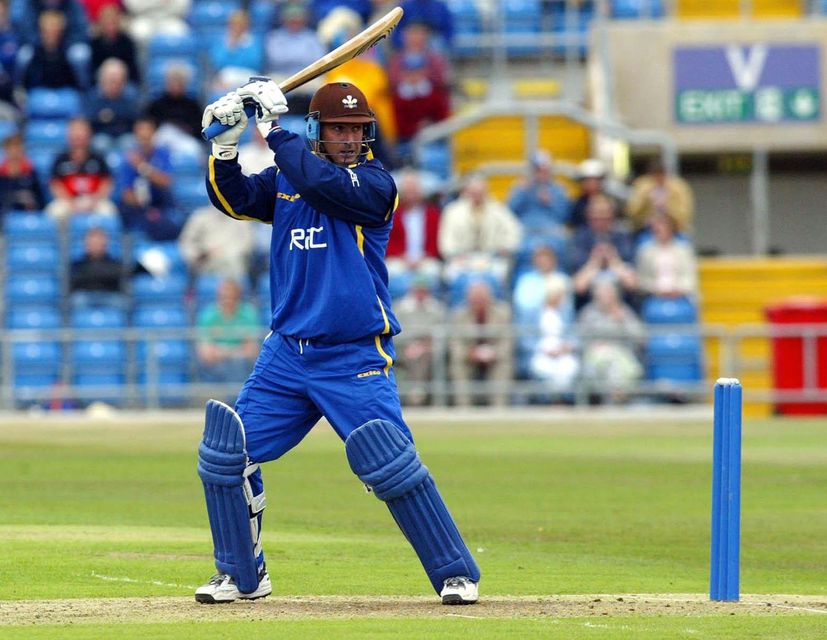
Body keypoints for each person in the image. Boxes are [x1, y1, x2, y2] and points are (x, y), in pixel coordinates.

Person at [194, 79, 480, 605]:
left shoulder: (374, 185)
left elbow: (321, 183)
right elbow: (232, 199)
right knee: (225, 455)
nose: (348, 137)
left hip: (353, 354)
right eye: (337, 128)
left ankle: (455, 574)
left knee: (391, 463)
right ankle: (241, 575)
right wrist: (225, 146)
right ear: (318, 130)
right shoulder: (287, 179)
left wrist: (273, 131)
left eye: (355, 128)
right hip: (287, 353)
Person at [438, 173, 522, 287]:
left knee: (499, 273)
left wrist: (505, 247)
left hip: (491, 257)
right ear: (466, 192)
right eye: (473, 192)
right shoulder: (452, 211)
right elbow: (446, 240)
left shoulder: (498, 209)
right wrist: (454, 255)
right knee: (453, 274)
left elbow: (514, 231)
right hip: (462, 258)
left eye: (480, 192)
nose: (477, 195)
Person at [575, 277, 645, 404]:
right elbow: (580, 339)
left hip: (621, 354)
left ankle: (616, 399)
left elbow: (640, 337)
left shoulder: (625, 312)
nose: (605, 295)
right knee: (607, 363)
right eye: (602, 292)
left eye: (608, 292)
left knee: (617, 364)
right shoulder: (588, 313)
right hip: (595, 356)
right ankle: (614, 401)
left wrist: (622, 320)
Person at [116, 116, 183, 240]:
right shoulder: (129, 159)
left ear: (154, 133)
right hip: (138, 209)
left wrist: (142, 167)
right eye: (141, 132)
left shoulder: (163, 153)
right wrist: (143, 202)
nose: (144, 136)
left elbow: (166, 181)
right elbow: (126, 194)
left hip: (162, 204)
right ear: (136, 134)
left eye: (148, 131)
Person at [448, 278, 512, 408]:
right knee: (457, 366)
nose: (479, 302)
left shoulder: (503, 312)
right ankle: (464, 409)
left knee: (504, 365)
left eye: (482, 299)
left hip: (494, 357)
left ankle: (499, 409)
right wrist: (470, 353)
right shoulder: (459, 314)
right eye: (475, 299)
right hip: (469, 357)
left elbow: (507, 341)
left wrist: (494, 353)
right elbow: (455, 343)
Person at [569, 193, 636, 311]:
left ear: (612, 217)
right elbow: (579, 286)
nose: (601, 222)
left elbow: (632, 284)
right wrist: (595, 262)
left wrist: (614, 261)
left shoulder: (622, 236)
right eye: (596, 218)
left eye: (605, 218)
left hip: (620, 303)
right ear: (589, 217)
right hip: (589, 303)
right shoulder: (581, 237)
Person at [46, 116, 117, 221]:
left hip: (94, 200)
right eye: (75, 130)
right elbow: (55, 185)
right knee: (55, 211)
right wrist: (71, 204)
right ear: (68, 134)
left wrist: (94, 201)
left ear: (89, 134)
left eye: (81, 130)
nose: (78, 135)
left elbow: (107, 183)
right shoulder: (60, 159)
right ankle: (62, 238)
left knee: (108, 211)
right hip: (68, 201)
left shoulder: (98, 158)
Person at [392, 273, 446, 406]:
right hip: (403, 348)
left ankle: (416, 395)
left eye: (424, 290)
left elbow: (441, 333)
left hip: (429, 348)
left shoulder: (437, 309)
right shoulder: (400, 308)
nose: (420, 294)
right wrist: (411, 345)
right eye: (418, 290)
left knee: (422, 356)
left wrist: (423, 346)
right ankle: (417, 393)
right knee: (416, 356)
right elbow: (394, 333)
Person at [196, 278, 261, 388]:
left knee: (238, 365)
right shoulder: (207, 315)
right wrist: (233, 352)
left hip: (242, 364)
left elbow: (252, 350)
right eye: (223, 296)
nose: (227, 300)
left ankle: (235, 400)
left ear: (238, 297)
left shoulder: (249, 313)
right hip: (217, 366)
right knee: (233, 366)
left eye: (231, 296)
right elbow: (206, 354)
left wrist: (222, 352)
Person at [529, 275, 579, 399]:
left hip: (563, 353)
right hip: (541, 353)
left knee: (568, 368)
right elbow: (526, 339)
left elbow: (574, 337)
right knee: (543, 368)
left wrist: (567, 347)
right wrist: (543, 349)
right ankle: (550, 402)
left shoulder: (567, 313)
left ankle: (562, 402)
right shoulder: (534, 313)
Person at [178, 203, 255, 282]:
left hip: (232, 260)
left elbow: (247, 243)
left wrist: (225, 252)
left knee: (234, 263)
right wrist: (198, 253)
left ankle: (232, 292)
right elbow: (186, 241)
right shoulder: (199, 216)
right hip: (206, 260)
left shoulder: (242, 218)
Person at [507, 150, 571, 240]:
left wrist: (550, 203)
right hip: (526, 232)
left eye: (544, 169)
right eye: (538, 169)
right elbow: (509, 212)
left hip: (551, 232)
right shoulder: (521, 187)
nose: (541, 173)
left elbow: (565, 217)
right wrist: (521, 193)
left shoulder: (559, 189)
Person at [635, 211, 698, 301]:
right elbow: (641, 280)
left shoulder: (683, 250)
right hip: (653, 296)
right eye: (655, 227)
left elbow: (690, 278)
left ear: (670, 228)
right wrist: (656, 290)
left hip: (681, 295)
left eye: (662, 225)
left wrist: (678, 290)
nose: (658, 229)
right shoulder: (645, 250)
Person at [625, 157, 694, 237]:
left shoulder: (678, 187)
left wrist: (667, 205)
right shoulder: (642, 186)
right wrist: (646, 199)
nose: (658, 180)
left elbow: (685, 214)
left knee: (683, 245)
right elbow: (631, 211)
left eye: (661, 175)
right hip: (646, 229)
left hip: (675, 230)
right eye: (655, 176)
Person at [86, 57, 139, 153]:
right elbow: (89, 121)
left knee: (130, 143)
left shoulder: (130, 98)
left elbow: (135, 120)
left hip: (125, 135)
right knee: (100, 143)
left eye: (118, 81)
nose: (115, 85)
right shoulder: (94, 98)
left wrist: (109, 116)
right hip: (102, 135)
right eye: (111, 81)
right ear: (102, 81)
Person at [69, 226, 127, 310]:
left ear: (105, 243)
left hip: (109, 295)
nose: (96, 244)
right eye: (93, 241)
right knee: (76, 301)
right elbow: (76, 279)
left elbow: (117, 276)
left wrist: (93, 273)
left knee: (121, 303)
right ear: (86, 244)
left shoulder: (115, 262)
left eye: (99, 241)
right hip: (85, 296)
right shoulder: (78, 263)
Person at [89, 4, 141, 86]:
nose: (110, 27)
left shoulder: (127, 41)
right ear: (101, 24)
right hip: (101, 84)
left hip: (124, 82)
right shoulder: (95, 43)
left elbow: (133, 68)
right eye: (107, 23)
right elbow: (93, 68)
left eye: (113, 23)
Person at [0, 133, 45, 214]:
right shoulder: (1, 173)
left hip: (28, 213)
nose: (14, 152)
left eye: (17, 147)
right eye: (11, 148)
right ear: (6, 150)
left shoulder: (31, 172)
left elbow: (40, 198)